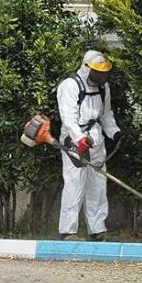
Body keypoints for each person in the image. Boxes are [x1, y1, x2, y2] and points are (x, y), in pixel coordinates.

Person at [57, 50, 122, 241]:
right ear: (87, 69)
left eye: (104, 72)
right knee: (74, 183)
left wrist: (114, 132)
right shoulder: (70, 85)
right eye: (98, 72)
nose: (102, 76)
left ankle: (97, 229)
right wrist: (79, 139)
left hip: (96, 139)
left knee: (98, 185)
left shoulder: (103, 87)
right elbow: (68, 117)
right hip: (73, 141)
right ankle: (68, 231)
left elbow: (106, 114)